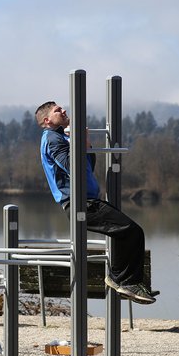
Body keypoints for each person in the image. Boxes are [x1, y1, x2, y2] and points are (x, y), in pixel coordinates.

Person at [35, 101, 159, 304]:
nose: (64, 110)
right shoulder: (52, 138)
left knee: (127, 232)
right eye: (58, 110)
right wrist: (76, 139)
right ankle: (123, 280)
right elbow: (71, 166)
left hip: (87, 201)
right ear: (47, 120)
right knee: (131, 231)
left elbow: (87, 167)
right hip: (79, 204)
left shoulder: (60, 138)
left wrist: (84, 141)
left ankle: (128, 281)